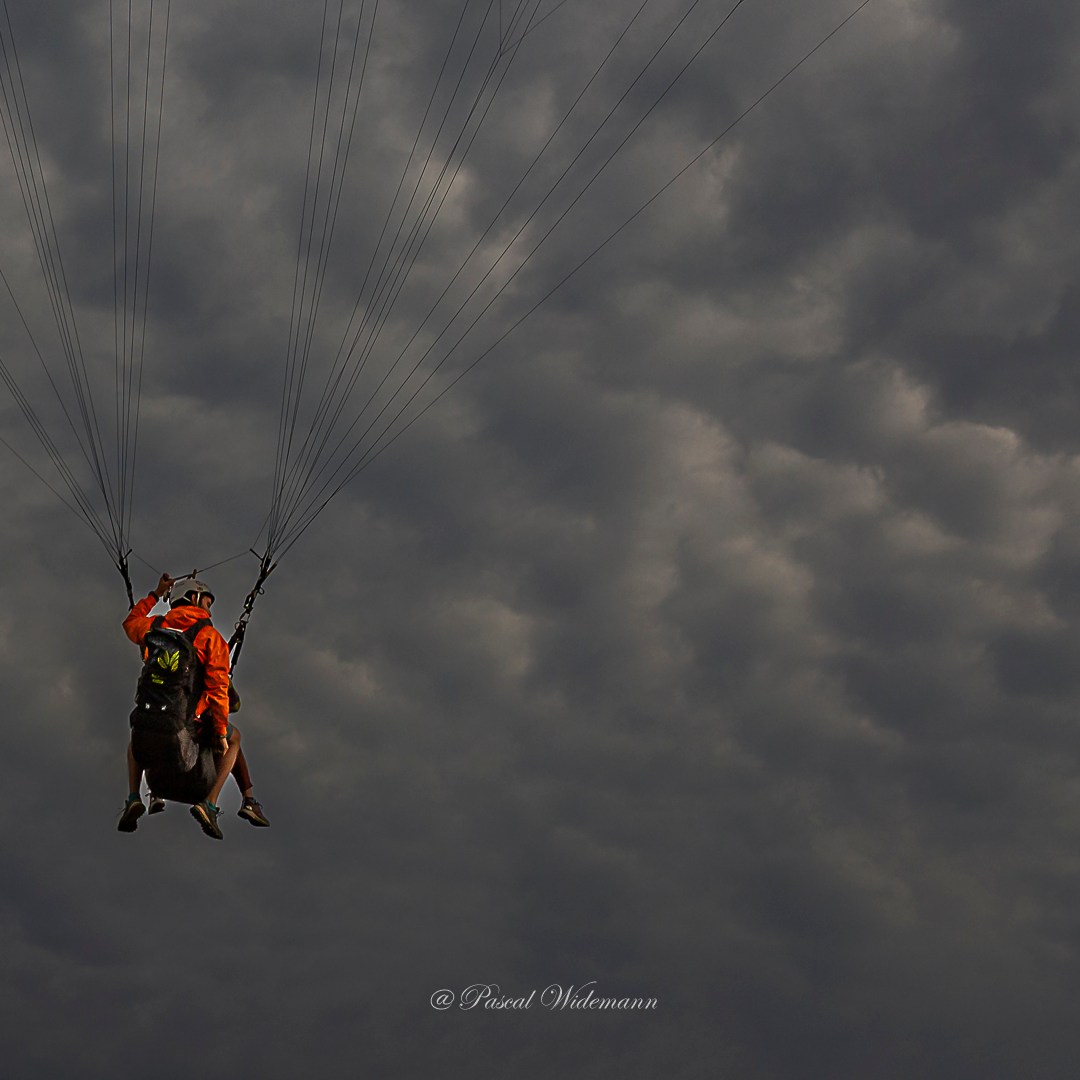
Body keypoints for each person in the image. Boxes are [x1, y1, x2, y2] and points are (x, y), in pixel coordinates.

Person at [117, 572, 270, 839]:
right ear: (194, 598)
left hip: (147, 721)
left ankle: (133, 797)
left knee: (137, 732)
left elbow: (130, 623)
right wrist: (220, 733)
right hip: (186, 723)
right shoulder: (210, 637)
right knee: (235, 738)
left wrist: (155, 594)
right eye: (207, 602)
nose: (209, 609)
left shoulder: (154, 628)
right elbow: (218, 690)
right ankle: (210, 804)